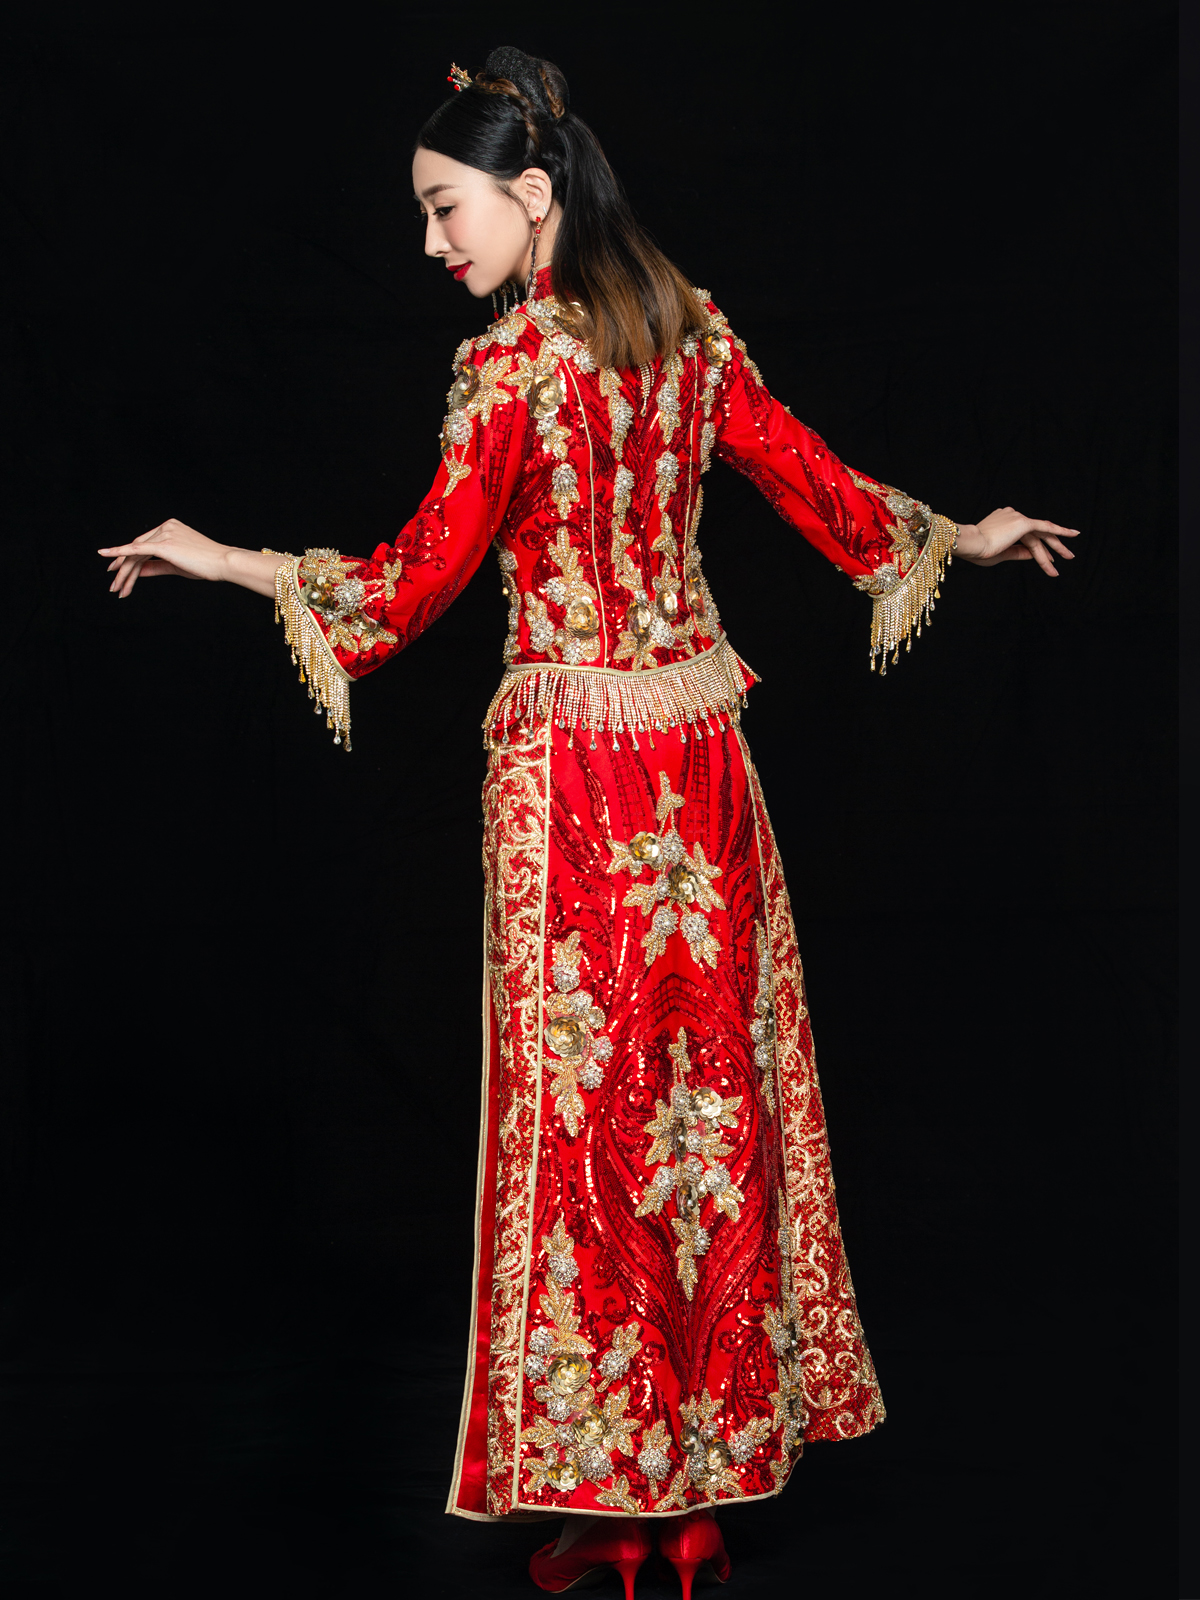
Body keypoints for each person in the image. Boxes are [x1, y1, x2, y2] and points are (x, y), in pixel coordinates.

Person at [98, 46, 1079, 1600]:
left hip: (573, 784)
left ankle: (618, 1506)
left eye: (448, 208)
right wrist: (961, 531)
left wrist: (228, 561)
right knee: (706, 1121)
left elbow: (408, 585)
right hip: (703, 761)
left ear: (535, 192)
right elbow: (814, 480)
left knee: (591, 1134)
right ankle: (694, 1504)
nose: (433, 241)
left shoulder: (512, 371)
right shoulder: (690, 333)